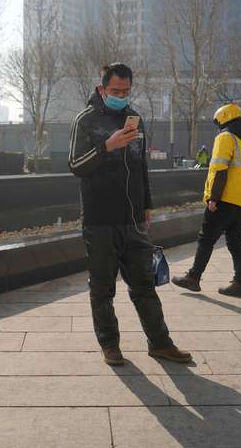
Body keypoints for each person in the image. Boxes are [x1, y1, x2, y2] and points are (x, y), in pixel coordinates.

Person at [68, 62, 192, 366]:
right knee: (102, 287)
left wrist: (146, 204)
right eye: (115, 91)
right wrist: (106, 147)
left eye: (125, 91)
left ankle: (160, 343)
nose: (121, 96)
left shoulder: (135, 120)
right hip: (100, 220)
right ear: (101, 89)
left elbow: (140, 166)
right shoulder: (86, 121)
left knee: (144, 285)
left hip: (133, 218)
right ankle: (110, 344)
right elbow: (74, 165)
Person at [172, 103, 241, 298]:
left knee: (206, 238)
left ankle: (193, 278)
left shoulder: (225, 137)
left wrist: (213, 198)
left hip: (223, 198)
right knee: (236, 243)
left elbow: (219, 169)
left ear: (223, 118)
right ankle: (240, 283)